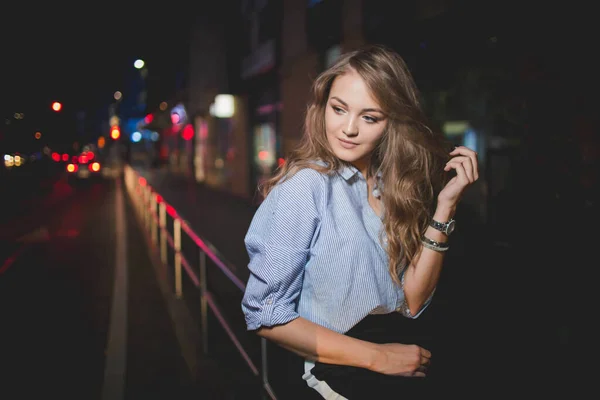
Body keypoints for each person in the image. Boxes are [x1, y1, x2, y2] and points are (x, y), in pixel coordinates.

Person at [241, 44, 479, 399]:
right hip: (331, 382)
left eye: (370, 117)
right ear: (323, 107)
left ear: (392, 123)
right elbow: (263, 313)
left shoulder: (389, 186)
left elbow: (412, 301)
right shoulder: (306, 187)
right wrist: (379, 357)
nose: (348, 129)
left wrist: (445, 207)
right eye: (339, 109)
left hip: (392, 375)